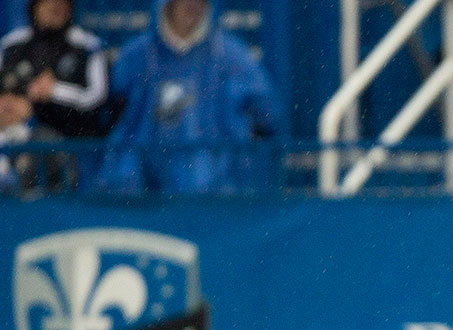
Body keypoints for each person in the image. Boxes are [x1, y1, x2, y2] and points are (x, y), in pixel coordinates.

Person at [96, 0, 278, 194]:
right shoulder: (136, 56)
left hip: (216, 194)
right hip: (142, 192)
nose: (193, 5)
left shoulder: (232, 57)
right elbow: (110, 115)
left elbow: (267, 114)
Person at [0, 0, 108, 139]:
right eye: (47, 2)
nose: (54, 6)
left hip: (72, 140)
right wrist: (13, 103)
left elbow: (97, 96)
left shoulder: (87, 46)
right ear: (34, 6)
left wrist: (55, 90)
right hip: (12, 138)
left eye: (61, 2)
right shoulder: (11, 44)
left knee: (46, 139)